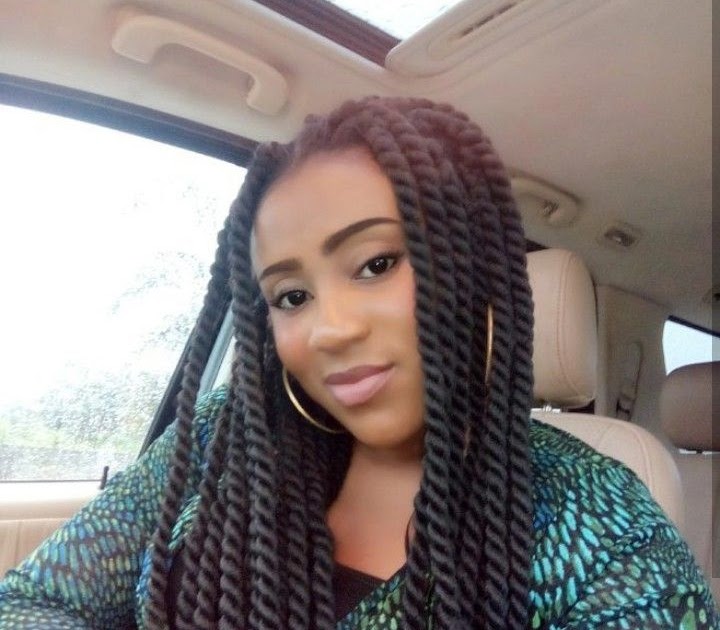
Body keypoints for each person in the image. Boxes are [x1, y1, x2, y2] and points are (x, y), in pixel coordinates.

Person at [0, 96, 716, 630]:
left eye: (376, 263)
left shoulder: (601, 522)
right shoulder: (225, 433)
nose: (329, 330)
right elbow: (33, 601)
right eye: (291, 296)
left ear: (475, 271)